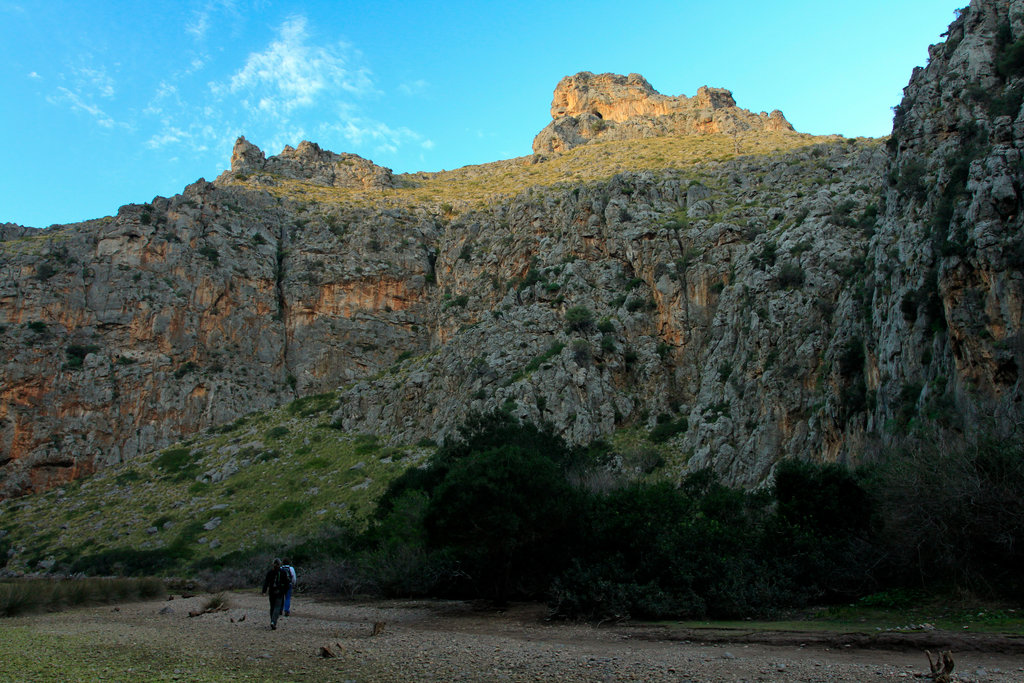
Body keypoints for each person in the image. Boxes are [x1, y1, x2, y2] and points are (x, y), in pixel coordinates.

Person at [261, 558, 291, 630]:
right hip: (280, 592)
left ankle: (272, 621)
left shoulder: (270, 572)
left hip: (272, 592)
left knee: (272, 607)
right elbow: (287, 583)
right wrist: (285, 591)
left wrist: (264, 591)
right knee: (277, 607)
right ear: (280, 564)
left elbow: (266, 582)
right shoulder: (283, 572)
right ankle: (273, 622)